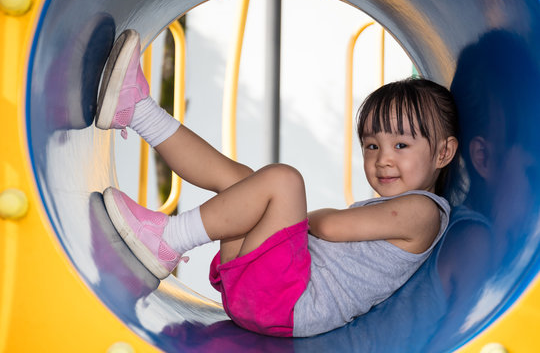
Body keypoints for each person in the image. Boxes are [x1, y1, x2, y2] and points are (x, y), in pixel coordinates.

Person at [95, 29, 459, 338]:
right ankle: (137, 110)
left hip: (291, 301)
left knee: (283, 182)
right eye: (371, 145)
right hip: (275, 294)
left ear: (443, 153)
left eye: (401, 145)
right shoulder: (403, 208)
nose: (383, 158)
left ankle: (168, 240)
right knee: (241, 182)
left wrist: (291, 215)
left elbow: (330, 225)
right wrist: (275, 214)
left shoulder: (423, 211)